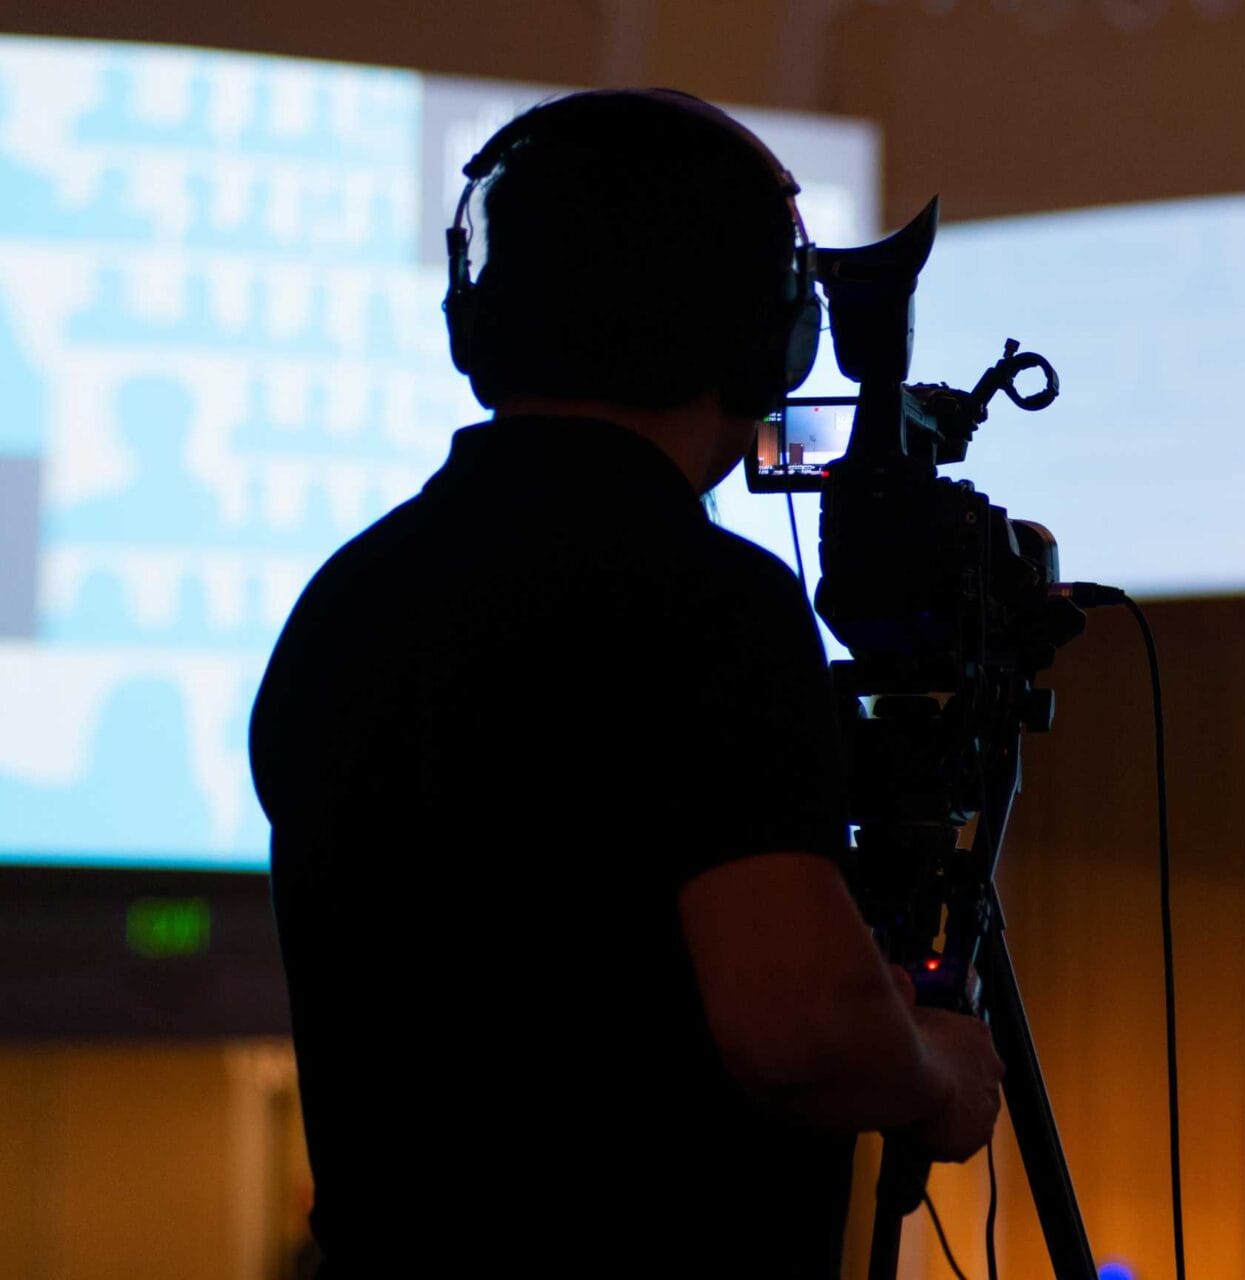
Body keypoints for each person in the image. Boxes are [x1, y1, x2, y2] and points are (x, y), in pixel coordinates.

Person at [250, 89, 1002, 1277]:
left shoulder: (348, 596)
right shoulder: (708, 603)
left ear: (478, 315)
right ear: (766, 336)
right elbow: (800, 1029)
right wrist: (941, 1075)